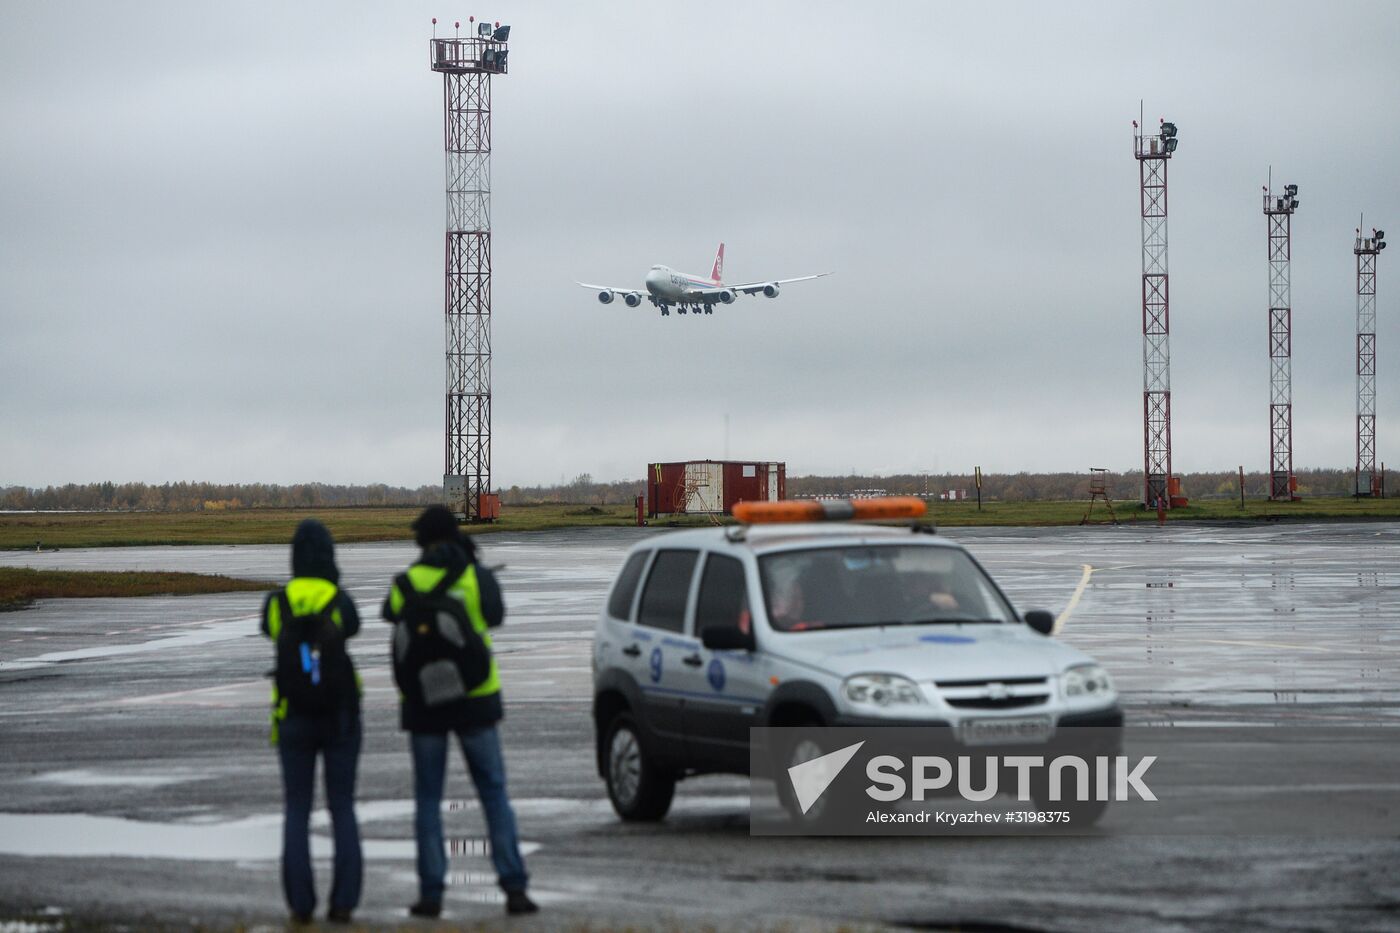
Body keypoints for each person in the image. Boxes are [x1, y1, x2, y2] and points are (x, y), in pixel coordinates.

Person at [382, 505, 537, 918]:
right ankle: (514, 887)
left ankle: (431, 892)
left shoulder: (406, 581)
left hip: (423, 703)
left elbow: (389, 612)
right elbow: (496, 615)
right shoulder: (474, 575)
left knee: (428, 799)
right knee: (493, 793)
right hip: (476, 698)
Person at [260, 519, 363, 925]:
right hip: (340, 715)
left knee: (297, 810)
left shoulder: (276, 603)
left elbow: (269, 631)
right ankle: (344, 903)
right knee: (342, 808)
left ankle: (300, 905)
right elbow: (353, 626)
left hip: (292, 716)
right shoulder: (339, 599)